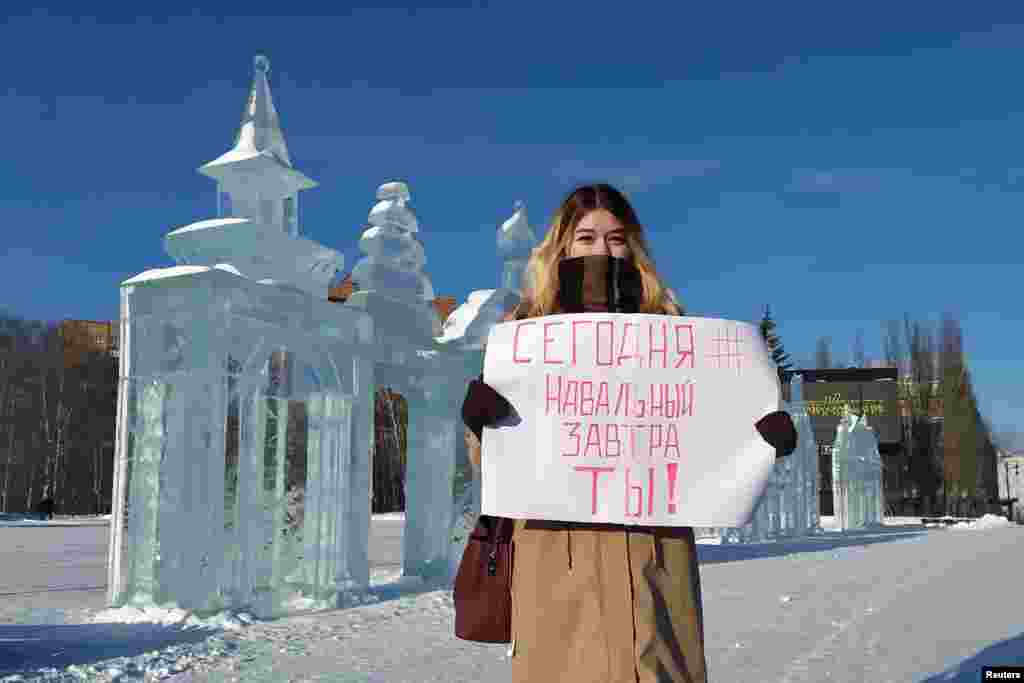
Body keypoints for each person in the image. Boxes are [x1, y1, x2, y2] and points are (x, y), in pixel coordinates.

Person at [461, 183, 796, 683]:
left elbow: (705, 436)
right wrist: (481, 423)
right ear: (562, 247)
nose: (602, 250)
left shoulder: (671, 333)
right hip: (556, 556)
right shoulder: (527, 334)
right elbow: (497, 470)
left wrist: (761, 437)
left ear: (632, 247)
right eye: (586, 238)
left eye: (615, 239)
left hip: (652, 554)